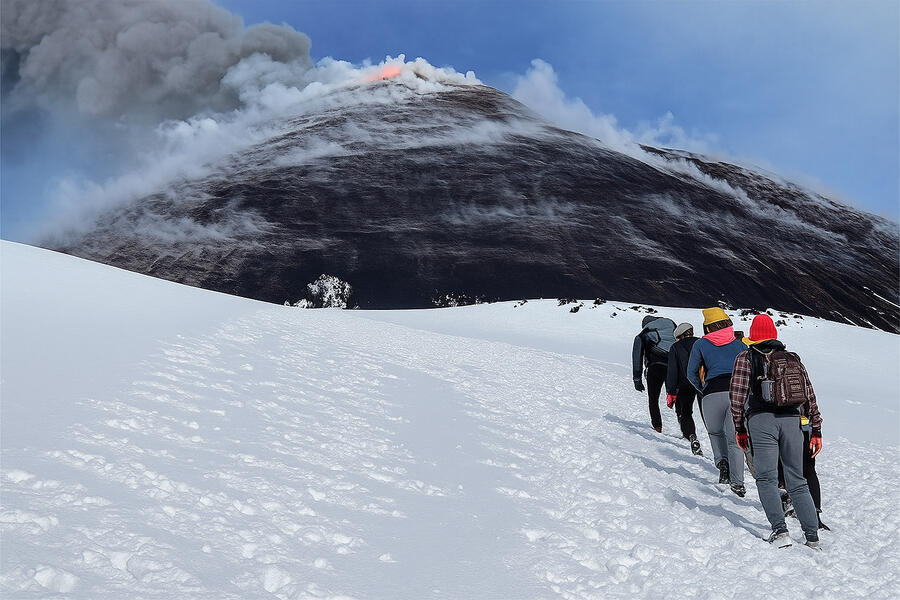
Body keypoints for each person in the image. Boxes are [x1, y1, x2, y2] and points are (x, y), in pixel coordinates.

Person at [730, 314, 823, 548]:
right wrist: (816, 430)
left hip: (761, 421)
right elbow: (809, 395)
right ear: (774, 334)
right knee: (797, 479)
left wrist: (739, 428)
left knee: (767, 478)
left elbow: (737, 397)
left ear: (753, 336)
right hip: (792, 421)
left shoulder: (745, 358)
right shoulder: (792, 358)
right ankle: (812, 536)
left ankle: (780, 531)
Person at [687, 307, 747, 496]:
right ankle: (738, 483)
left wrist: (703, 389)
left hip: (711, 393)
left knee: (715, 432)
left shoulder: (700, 344)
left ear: (707, 327)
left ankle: (723, 465)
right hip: (736, 394)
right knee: (735, 439)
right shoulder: (740, 345)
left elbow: (691, 372)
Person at [632, 315, 677, 433]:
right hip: (673, 367)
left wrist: (637, 379)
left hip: (654, 368)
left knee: (653, 398)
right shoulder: (671, 327)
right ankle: (687, 429)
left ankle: (657, 426)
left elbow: (637, 356)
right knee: (678, 398)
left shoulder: (644, 334)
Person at [665, 322, 703, 455]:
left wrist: (671, 391)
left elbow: (672, 371)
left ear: (680, 335)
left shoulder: (675, 347)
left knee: (686, 412)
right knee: (708, 415)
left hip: (684, 384)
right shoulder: (702, 343)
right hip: (703, 383)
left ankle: (691, 436)